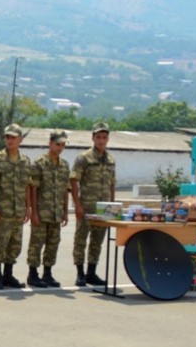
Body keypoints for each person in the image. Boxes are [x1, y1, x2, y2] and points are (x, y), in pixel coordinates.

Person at [0, 123, 31, 290]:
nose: (9, 140)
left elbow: (27, 185)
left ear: (20, 139)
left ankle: (8, 275)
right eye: (7, 137)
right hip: (3, 211)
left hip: (18, 210)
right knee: (0, 243)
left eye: (13, 137)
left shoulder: (25, 161)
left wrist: (28, 207)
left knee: (15, 244)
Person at [70, 121, 116, 287]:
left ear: (108, 139)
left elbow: (112, 184)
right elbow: (74, 181)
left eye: (104, 137)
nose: (101, 140)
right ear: (93, 138)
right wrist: (77, 205)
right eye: (98, 137)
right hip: (87, 206)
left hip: (104, 208)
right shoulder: (84, 158)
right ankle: (80, 274)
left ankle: (91, 272)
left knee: (97, 241)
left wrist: (113, 206)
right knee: (81, 240)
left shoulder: (110, 160)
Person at [26, 130, 70, 288]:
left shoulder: (64, 165)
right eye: (57, 144)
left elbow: (66, 189)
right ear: (50, 143)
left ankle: (48, 273)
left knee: (53, 243)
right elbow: (33, 189)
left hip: (56, 212)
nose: (60, 148)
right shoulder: (39, 163)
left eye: (63, 145)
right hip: (41, 212)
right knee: (36, 243)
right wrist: (33, 211)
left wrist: (65, 211)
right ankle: (32, 274)